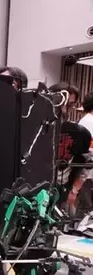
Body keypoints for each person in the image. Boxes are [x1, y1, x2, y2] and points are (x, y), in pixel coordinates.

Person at [49, 83, 92, 213]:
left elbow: (86, 162)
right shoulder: (35, 128)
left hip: (61, 188)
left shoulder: (79, 133)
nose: (64, 110)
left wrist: (74, 190)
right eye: (62, 104)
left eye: (70, 105)